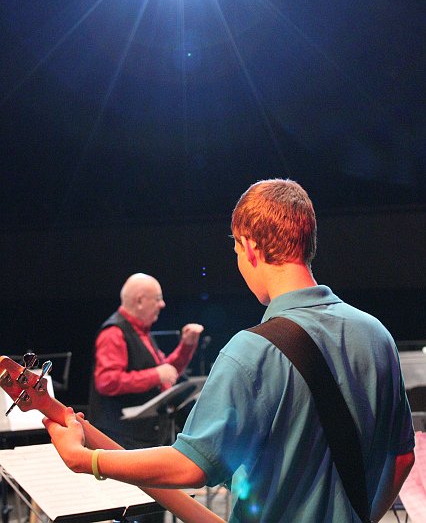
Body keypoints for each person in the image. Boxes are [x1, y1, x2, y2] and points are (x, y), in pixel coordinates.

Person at [44, 179, 415, 522]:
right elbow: (402, 458)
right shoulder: (377, 335)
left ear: (250, 246)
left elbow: (190, 466)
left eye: (236, 248)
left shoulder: (251, 351)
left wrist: (85, 459)